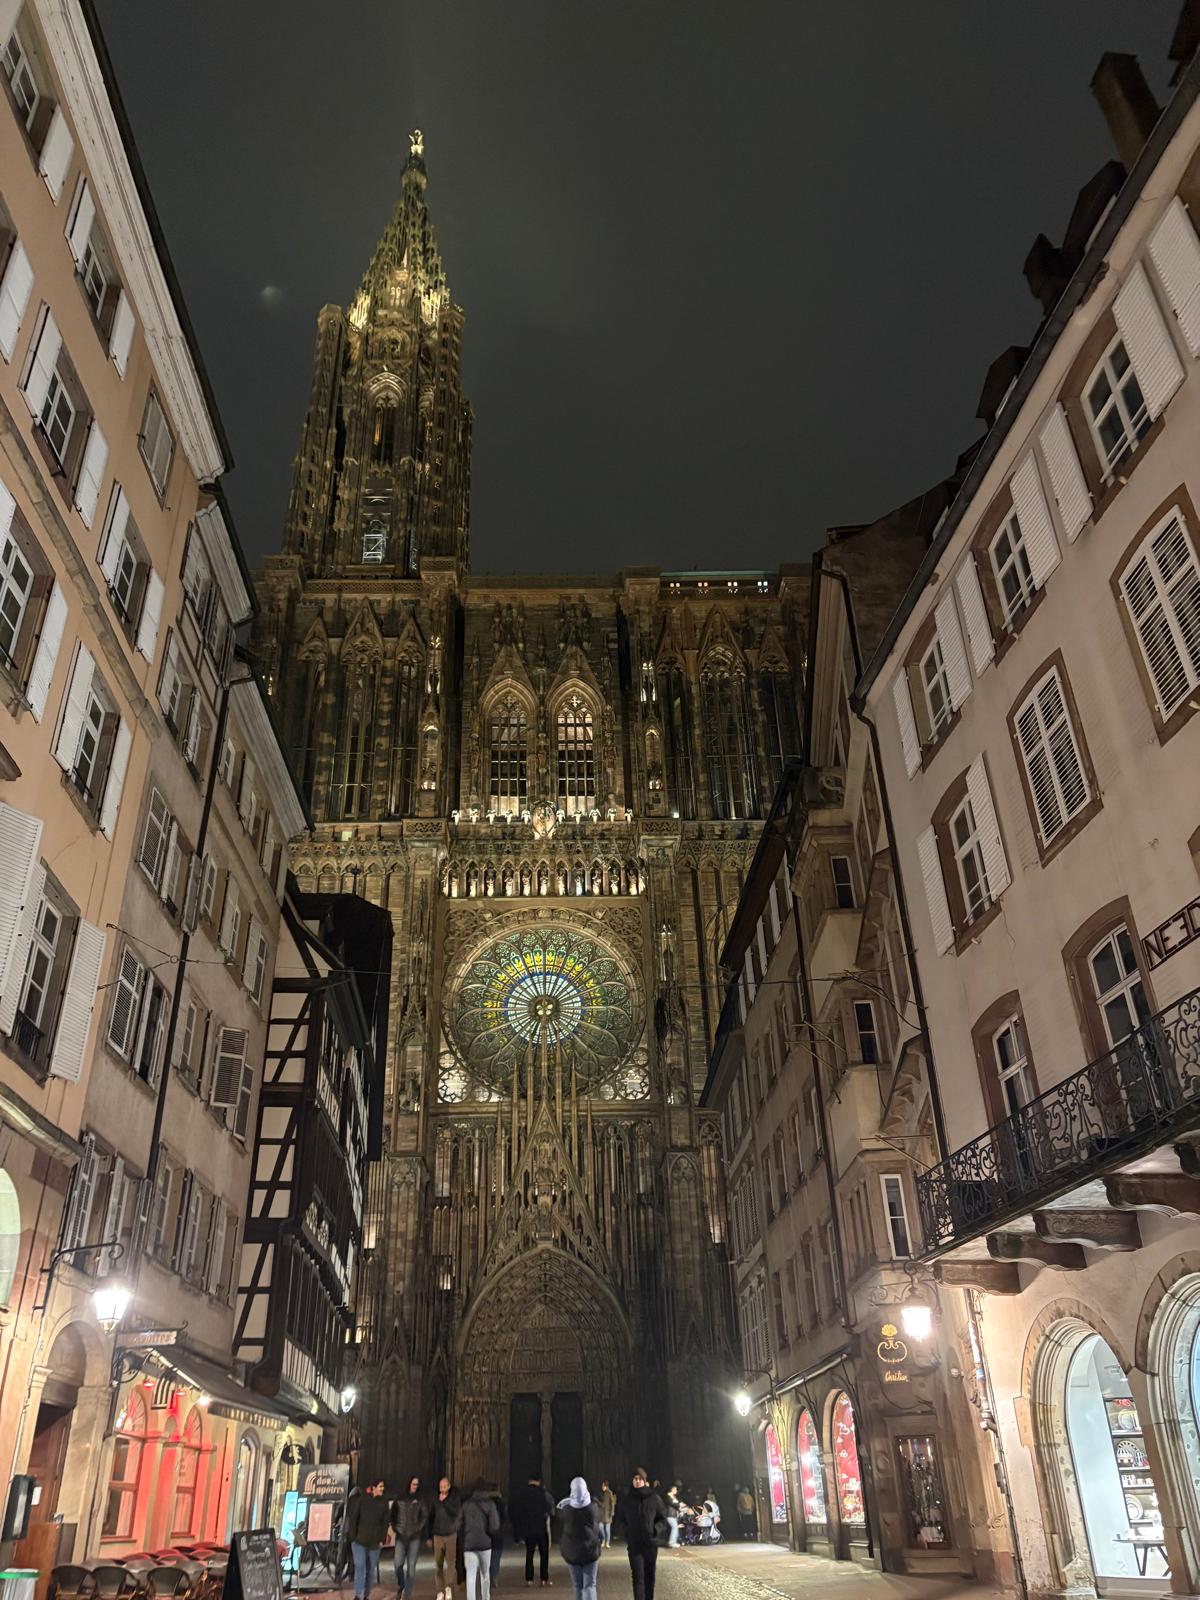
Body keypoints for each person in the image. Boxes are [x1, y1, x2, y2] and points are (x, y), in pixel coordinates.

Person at [614, 1468, 669, 1600]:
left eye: (640, 1479)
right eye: (635, 1478)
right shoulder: (627, 1500)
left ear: (644, 1481)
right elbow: (620, 1520)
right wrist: (627, 1532)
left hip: (650, 1543)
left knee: (649, 1576)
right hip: (635, 1544)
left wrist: (656, 1529)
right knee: (638, 1576)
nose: (637, 1481)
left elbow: (662, 1518)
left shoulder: (654, 1498)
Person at [346, 1479, 392, 1600]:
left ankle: (367, 1595)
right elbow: (354, 1518)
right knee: (360, 1566)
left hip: (375, 1542)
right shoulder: (362, 1500)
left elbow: (385, 1522)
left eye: (383, 1486)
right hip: (359, 1541)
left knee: (370, 1570)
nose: (382, 1489)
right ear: (373, 1487)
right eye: (380, 1486)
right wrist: (353, 1537)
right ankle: (358, 1594)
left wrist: (382, 1538)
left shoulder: (384, 1502)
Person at [557, 1477, 601, 1599]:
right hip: (590, 1551)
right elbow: (598, 1518)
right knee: (590, 1585)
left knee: (577, 1586)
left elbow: (558, 1514)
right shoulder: (593, 1508)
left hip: (572, 1553)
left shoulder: (567, 1511)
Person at [510, 1473, 554, 1587]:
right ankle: (544, 1579)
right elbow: (548, 1509)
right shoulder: (543, 1493)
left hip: (528, 1529)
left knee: (529, 1554)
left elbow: (518, 1511)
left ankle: (529, 1579)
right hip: (541, 1527)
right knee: (544, 1554)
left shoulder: (522, 1494)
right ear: (539, 1481)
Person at [461, 1479, 501, 1600]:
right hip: (485, 1543)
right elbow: (495, 1525)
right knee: (485, 1574)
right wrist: (489, 1534)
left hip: (469, 1543)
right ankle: (485, 1597)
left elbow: (458, 1524)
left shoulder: (466, 1504)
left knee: (470, 1575)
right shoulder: (490, 1504)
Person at [391, 1477, 428, 1599]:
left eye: (417, 1484)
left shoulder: (421, 1499)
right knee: (397, 1564)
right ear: (409, 1484)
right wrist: (396, 1528)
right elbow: (393, 1514)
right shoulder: (400, 1497)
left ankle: (407, 1594)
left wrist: (418, 1528)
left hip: (414, 1538)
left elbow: (424, 1516)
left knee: (411, 1568)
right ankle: (401, 1585)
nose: (415, 1486)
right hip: (401, 1536)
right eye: (413, 1484)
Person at [430, 1476, 462, 1600]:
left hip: (450, 1534)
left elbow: (456, 1512)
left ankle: (448, 1587)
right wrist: (429, 1535)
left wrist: (444, 1502)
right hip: (437, 1535)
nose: (442, 1489)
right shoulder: (434, 1500)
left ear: (448, 1487)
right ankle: (439, 1590)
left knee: (451, 1563)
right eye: (440, 1487)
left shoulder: (454, 1499)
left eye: (444, 1486)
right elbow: (430, 1517)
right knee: (438, 1564)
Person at [483, 1481, 506, 1589]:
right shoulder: (501, 1503)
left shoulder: (484, 1503)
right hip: (498, 1533)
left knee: (486, 1557)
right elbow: (504, 1518)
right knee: (496, 1557)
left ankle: (486, 1577)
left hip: (486, 1533)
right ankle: (494, 1577)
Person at [598, 1481, 616, 1549]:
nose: (602, 1487)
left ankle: (607, 1542)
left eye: (603, 1485)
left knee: (607, 1529)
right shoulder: (601, 1493)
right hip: (602, 1514)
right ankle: (603, 1540)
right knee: (601, 1527)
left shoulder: (609, 1493)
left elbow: (613, 1503)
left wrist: (612, 1512)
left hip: (608, 1513)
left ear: (606, 1486)